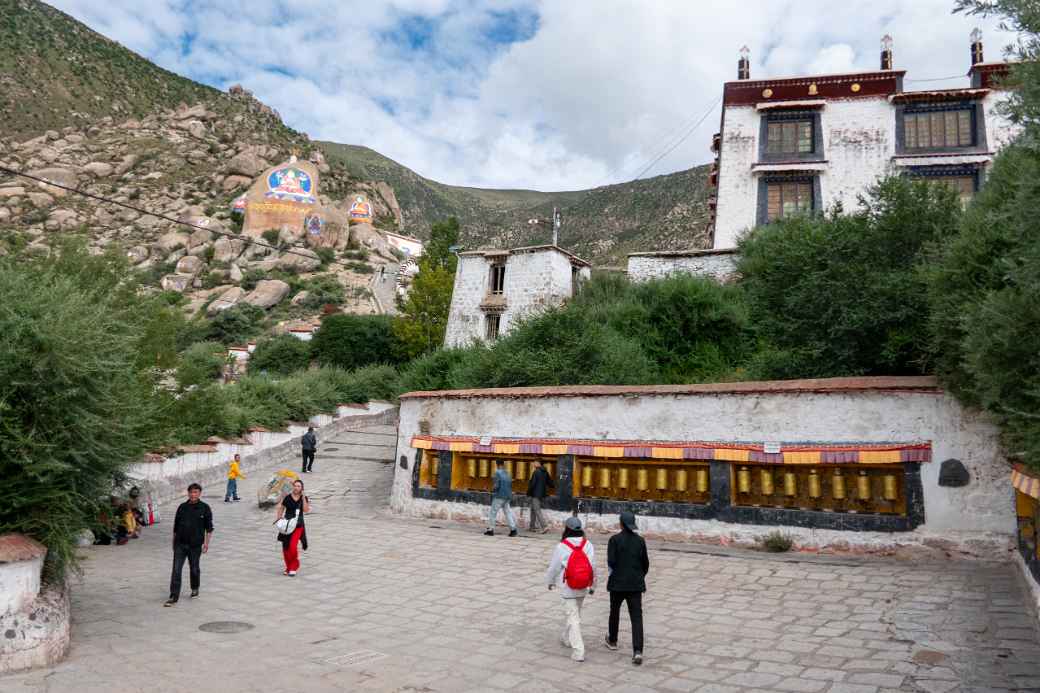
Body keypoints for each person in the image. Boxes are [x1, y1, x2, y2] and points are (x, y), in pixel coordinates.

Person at [546, 517, 596, 662]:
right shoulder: (588, 544)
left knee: (573, 618)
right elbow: (593, 567)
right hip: (583, 585)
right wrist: (593, 585)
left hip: (568, 587)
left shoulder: (562, 546)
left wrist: (550, 582)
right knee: (574, 614)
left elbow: (554, 567)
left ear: (566, 529)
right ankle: (566, 637)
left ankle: (579, 651)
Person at [605, 511, 650, 666]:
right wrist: (638, 576)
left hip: (617, 584)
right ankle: (637, 651)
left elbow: (611, 562)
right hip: (635, 585)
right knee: (636, 617)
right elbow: (645, 564)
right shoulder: (640, 541)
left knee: (614, 612)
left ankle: (612, 640)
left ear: (621, 524)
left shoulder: (614, 540)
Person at [165, 483, 213, 607]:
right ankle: (173, 596)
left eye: (195, 492)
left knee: (194, 568)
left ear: (199, 493)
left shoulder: (205, 508)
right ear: (188, 493)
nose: (193, 494)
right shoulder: (182, 507)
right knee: (176, 569)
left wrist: (206, 544)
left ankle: (195, 587)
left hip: (195, 545)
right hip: (180, 544)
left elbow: (209, 528)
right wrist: (173, 542)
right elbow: (175, 527)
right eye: (191, 492)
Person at [275, 479, 310, 576]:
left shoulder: (303, 498)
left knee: (292, 546)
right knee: (285, 548)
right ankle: (288, 567)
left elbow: (306, 510)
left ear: (302, 488)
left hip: (298, 525)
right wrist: (279, 518)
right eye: (295, 485)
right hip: (287, 525)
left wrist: (303, 497)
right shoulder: (287, 497)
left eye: (299, 486)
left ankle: (294, 565)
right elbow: (281, 508)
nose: (296, 488)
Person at [484, 459, 518, 537]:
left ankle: (490, 530)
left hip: (499, 496)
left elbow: (496, 485)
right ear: (503, 464)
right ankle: (513, 530)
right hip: (507, 495)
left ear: (497, 464)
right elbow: (510, 484)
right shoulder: (507, 473)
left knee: (493, 512)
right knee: (508, 512)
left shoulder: (497, 473)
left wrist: (490, 490)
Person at [526, 459, 555, 533]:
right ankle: (532, 527)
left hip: (535, 494)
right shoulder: (545, 472)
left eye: (535, 462)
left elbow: (532, 484)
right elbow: (550, 483)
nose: (534, 464)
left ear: (539, 463)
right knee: (533, 510)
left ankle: (544, 526)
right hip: (542, 494)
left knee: (537, 510)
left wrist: (528, 493)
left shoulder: (536, 472)